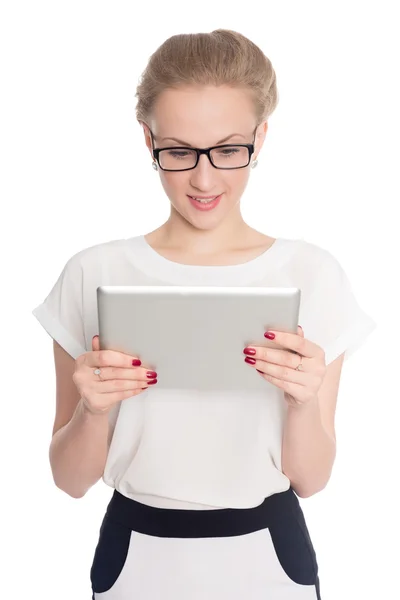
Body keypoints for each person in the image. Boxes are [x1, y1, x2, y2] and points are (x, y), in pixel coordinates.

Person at [32, 29, 376, 600]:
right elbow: (69, 482)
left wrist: (301, 400)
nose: (204, 177)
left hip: (270, 555)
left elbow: (311, 480)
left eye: (228, 149)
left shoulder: (312, 274)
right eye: (179, 151)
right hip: (134, 554)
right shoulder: (93, 273)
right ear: (148, 140)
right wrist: (93, 414)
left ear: (260, 137)